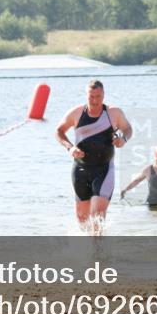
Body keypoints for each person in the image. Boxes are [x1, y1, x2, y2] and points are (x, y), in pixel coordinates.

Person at [56, 79, 133, 234]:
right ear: (86, 96)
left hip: (104, 169)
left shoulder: (113, 113)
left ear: (103, 95)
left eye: (98, 96)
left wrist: (122, 139)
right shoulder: (77, 113)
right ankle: (86, 253)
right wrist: (70, 148)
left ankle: (98, 253)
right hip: (80, 169)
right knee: (82, 219)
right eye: (91, 97)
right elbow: (59, 131)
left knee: (97, 216)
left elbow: (127, 129)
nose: (95, 101)